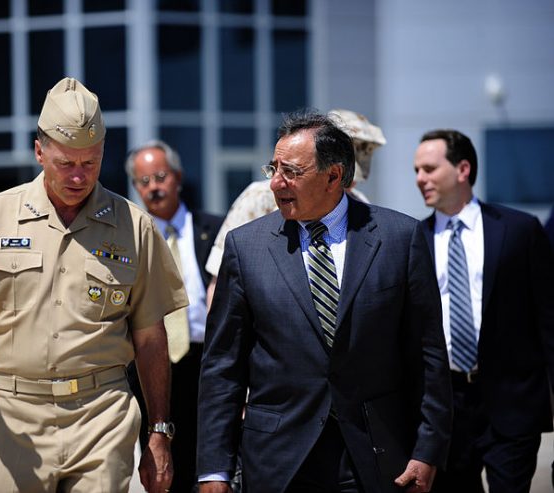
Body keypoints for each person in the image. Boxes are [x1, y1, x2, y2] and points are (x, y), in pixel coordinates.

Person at [0, 78, 188, 493]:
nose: (79, 176)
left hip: (102, 418)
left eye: (91, 162)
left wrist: (159, 432)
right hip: (14, 421)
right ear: (39, 151)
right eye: (66, 163)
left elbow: (150, 338)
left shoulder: (134, 227)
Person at [197, 110, 452, 493]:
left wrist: (428, 450)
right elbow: (222, 368)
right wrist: (214, 470)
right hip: (278, 462)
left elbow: (428, 356)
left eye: (292, 172)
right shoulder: (245, 247)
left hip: (375, 458)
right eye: (274, 168)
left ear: (334, 176)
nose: (276, 184)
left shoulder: (401, 238)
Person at [413, 129, 554, 493]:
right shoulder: (413, 239)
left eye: (429, 168)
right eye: (416, 171)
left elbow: (548, 319)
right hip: (447, 407)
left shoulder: (520, 230)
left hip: (512, 402)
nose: (420, 179)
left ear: (462, 169)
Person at [204, 108, 386, 306]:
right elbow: (221, 284)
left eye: (350, 182)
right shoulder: (259, 197)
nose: (344, 189)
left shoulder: (361, 206)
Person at [125, 140, 224, 492]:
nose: (153, 187)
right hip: (149, 368)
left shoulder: (216, 229)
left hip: (203, 365)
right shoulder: (127, 240)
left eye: (161, 176)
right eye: (144, 181)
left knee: (210, 469)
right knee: (161, 471)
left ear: (178, 177)